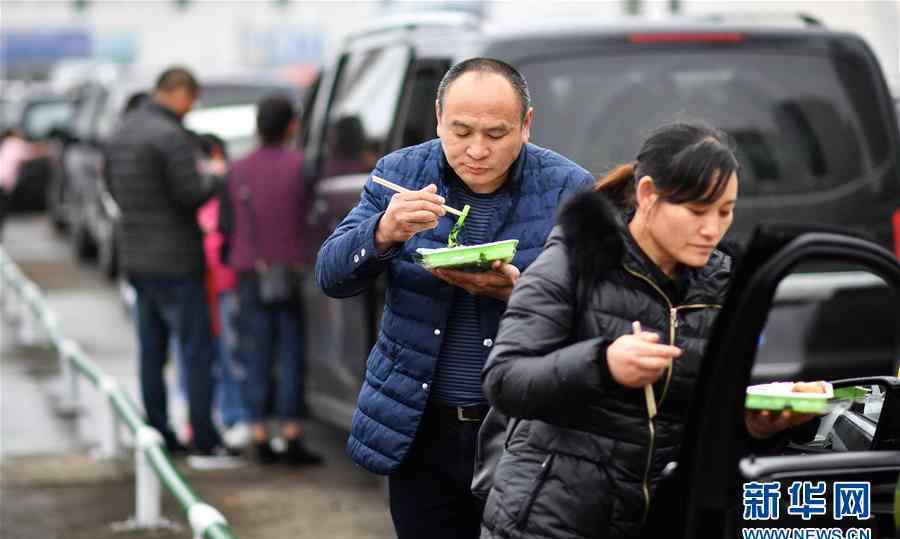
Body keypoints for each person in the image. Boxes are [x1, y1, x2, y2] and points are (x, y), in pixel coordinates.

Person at [479, 121, 815, 539]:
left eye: (725, 211)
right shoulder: (572, 261)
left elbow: (708, 417)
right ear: (647, 196)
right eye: (696, 211)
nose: (712, 228)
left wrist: (758, 425)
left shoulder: (724, 284)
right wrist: (602, 363)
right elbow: (505, 379)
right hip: (553, 520)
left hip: (670, 516)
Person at [315, 58, 594, 538]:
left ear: (526, 126)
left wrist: (519, 291)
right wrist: (383, 231)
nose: (477, 150)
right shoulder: (400, 174)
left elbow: (599, 310)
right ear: (439, 116)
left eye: (495, 133)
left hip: (522, 431)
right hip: (421, 426)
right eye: (461, 131)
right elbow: (332, 274)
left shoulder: (569, 189)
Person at [105, 67, 227, 457]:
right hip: (177, 261)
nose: (190, 109)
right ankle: (203, 438)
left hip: (137, 259)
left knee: (151, 352)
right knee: (195, 352)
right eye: (191, 100)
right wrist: (217, 177)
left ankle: (158, 432)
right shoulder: (170, 136)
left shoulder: (121, 131)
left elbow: (109, 185)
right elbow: (190, 194)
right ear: (177, 92)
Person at [220, 95, 321, 465]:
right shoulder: (302, 167)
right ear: (291, 126)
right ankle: (291, 433)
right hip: (292, 270)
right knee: (292, 352)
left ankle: (259, 431)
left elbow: (226, 225)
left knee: (255, 351)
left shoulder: (238, 169)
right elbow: (313, 216)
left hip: (250, 270)